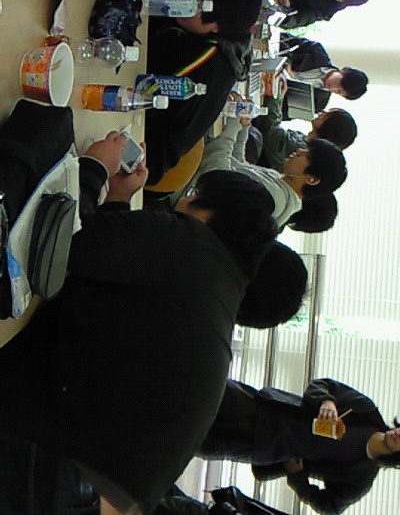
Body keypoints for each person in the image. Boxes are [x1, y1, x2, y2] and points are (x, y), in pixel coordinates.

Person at [0, 132, 280, 515]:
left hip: (46, 464)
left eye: (193, 193)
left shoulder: (189, 244)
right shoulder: (217, 289)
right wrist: (117, 199)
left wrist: (94, 169)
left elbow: (59, 245)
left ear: (209, 211)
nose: (182, 200)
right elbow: (110, 266)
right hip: (86, 489)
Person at [198, 377, 400, 515]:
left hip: (260, 447)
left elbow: (330, 507)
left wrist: (297, 478)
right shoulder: (365, 411)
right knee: (201, 387)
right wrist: (327, 401)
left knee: (197, 437)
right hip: (263, 406)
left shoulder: (361, 475)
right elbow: (322, 384)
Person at [146, 0, 262, 185]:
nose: (186, 1)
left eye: (196, 2)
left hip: (136, 150)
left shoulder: (201, 61)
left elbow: (136, 67)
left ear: (216, 26)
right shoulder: (219, 36)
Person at [170, 116, 347, 228]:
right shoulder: (281, 182)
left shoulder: (274, 199)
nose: (300, 151)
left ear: (312, 179)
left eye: (307, 155)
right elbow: (238, 165)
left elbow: (215, 174)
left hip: (182, 183)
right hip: (190, 171)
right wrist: (243, 127)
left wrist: (233, 126)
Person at [282, 35, 369, 102]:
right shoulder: (316, 51)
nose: (333, 88)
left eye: (338, 92)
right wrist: (287, 62)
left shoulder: (319, 101)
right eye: (339, 84)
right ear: (344, 70)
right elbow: (283, 38)